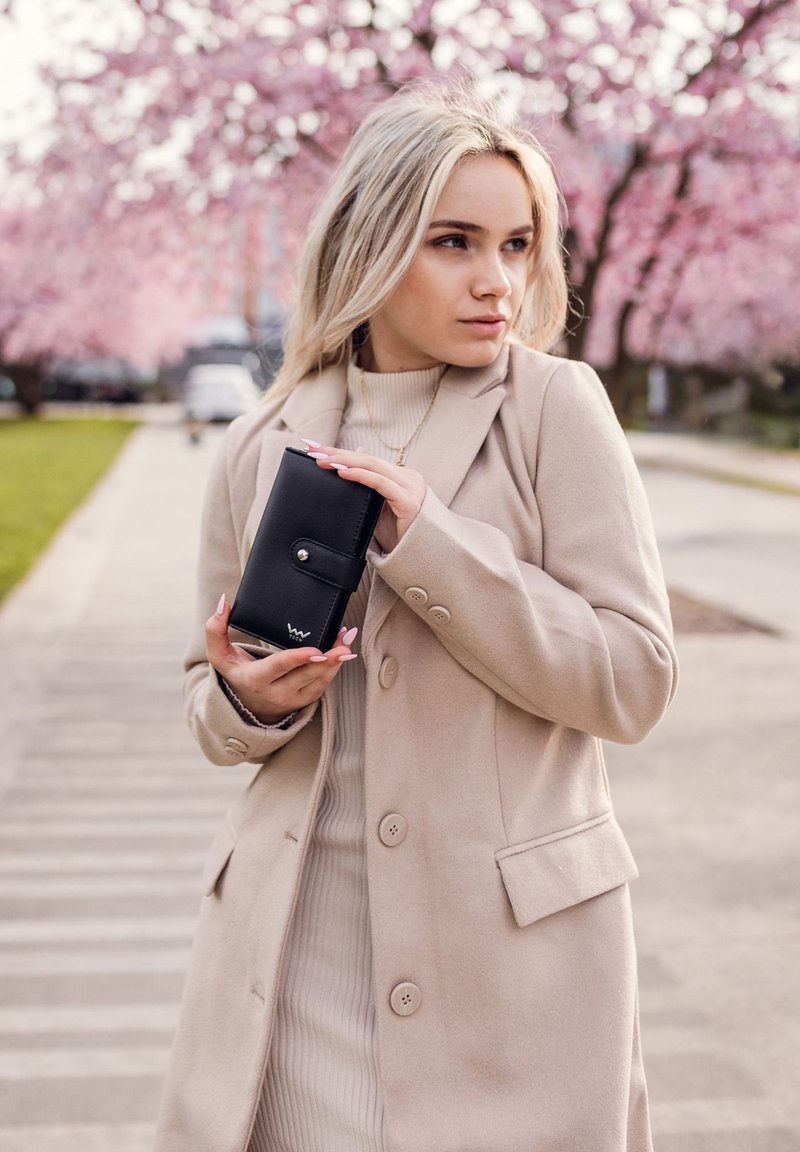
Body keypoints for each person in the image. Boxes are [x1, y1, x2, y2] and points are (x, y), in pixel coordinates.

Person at [154, 82, 678, 1152]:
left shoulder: (553, 410)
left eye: (518, 245)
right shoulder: (262, 442)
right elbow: (206, 706)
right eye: (453, 242)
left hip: (506, 975)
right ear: (370, 241)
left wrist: (431, 544)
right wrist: (245, 704)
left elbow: (632, 680)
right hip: (293, 960)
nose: (497, 281)